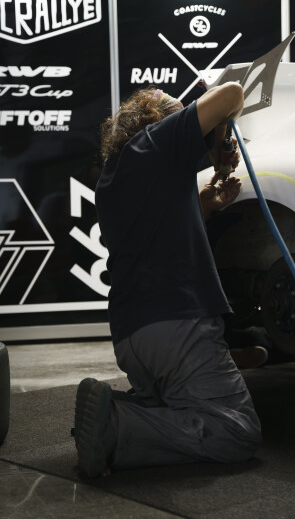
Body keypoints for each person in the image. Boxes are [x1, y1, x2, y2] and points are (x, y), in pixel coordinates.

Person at [73, 84, 262, 478]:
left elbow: (156, 232)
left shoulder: (115, 176)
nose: (181, 102)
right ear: (153, 115)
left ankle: (119, 412)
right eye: (169, 100)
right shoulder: (156, 141)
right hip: (177, 324)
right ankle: (116, 424)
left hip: (132, 336)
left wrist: (204, 204)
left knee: (176, 407)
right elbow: (231, 94)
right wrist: (220, 134)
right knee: (236, 431)